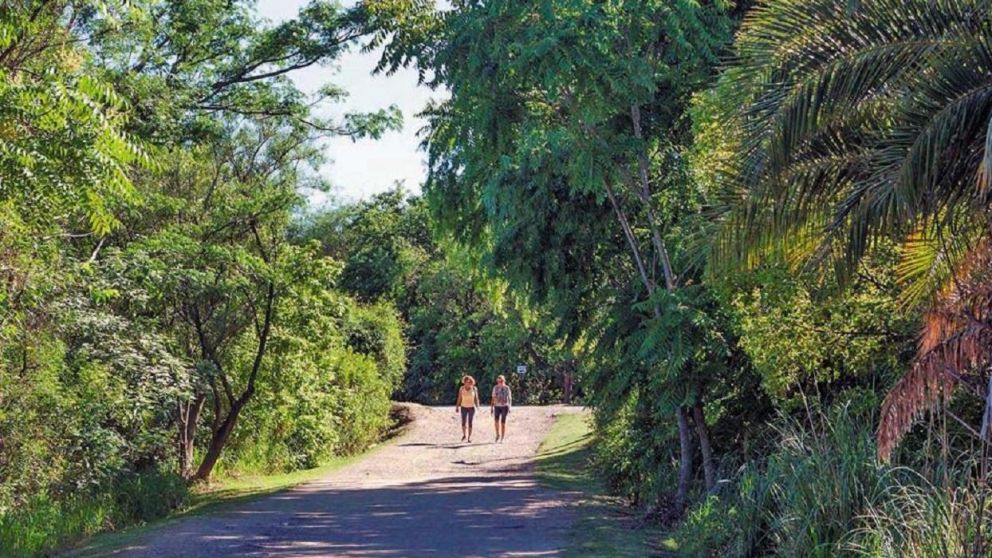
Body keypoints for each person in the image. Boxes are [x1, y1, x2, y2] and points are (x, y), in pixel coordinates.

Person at [455, 375, 480, 442]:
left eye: (469, 382)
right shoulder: (461, 389)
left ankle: (469, 437)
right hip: (463, 407)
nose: (468, 383)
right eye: (466, 381)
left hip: (471, 407)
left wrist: (478, 406)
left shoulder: (474, 389)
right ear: (464, 382)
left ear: (472, 382)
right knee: (463, 422)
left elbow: (476, 398)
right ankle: (464, 435)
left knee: (470, 422)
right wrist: (457, 406)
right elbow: (459, 398)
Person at [491, 375, 512, 442]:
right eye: (498, 381)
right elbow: (493, 397)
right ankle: (497, 434)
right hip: (497, 406)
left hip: (505, 406)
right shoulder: (495, 388)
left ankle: (502, 438)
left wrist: (510, 406)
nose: (500, 382)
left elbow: (510, 398)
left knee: (503, 422)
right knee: (496, 421)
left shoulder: (507, 388)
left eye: (501, 381)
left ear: (504, 381)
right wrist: (491, 407)